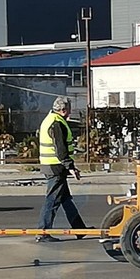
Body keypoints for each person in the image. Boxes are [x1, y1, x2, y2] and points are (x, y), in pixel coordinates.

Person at [36, 96, 88, 242]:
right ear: (63, 110)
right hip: (55, 168)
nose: (70, 113)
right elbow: (61, 149)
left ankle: (79, 229)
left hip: (52, 166)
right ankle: (43, 232)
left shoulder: (50, 119)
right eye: (69, 110)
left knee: (66, 199)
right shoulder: (56, 123)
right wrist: (70, 166)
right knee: (52, 200)